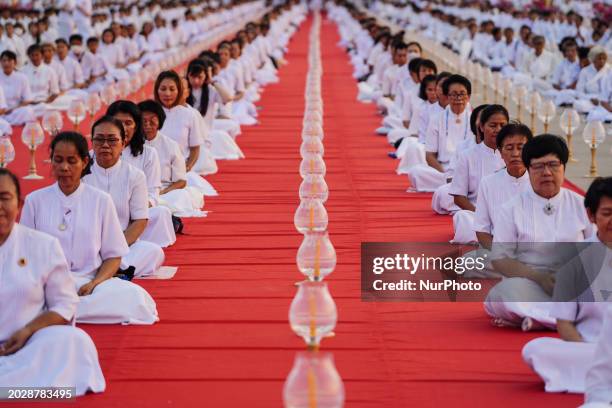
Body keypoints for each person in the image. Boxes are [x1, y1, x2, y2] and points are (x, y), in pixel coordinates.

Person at [20, 131, 158, 324]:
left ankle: (56, 313)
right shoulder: (35, 200)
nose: (64, 167)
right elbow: (24, 254)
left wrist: (95, 283)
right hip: (46, 284)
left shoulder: (101, 200)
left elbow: (113, 256)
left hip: (88, 285)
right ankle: (56, 309)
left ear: (85, 162)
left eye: (71, 161)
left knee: (134, 299)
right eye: (58, 160)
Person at [0, 168, 105, 394]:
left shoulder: (42, 245)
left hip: (29, 344)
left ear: (19, 204)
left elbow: (65, 303)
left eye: (4, 198)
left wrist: (28, 330)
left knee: (76, 342)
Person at [485, 135, 594, 330]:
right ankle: (565, 321)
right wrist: (540, 278)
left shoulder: (582, 205)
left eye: (553, 165)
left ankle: (539, 320)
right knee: (502, 294)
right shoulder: (511, 208)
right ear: (528, 170)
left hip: (575, 285)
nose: (546, 172)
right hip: (530, 284)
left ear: (564, 168)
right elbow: (500, 259)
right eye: (538, 166)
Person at [522, 177, 612, 394]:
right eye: (607, 213)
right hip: (590, 349)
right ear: (591, 215)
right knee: (535, 350)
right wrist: (597, 358)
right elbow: (564, 324)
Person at [82, 116, 165, 278]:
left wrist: (114, 248)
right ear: (92, 142)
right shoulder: (81, 173)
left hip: (122, 242)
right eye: (99, 140)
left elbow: (140, 221)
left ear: (123, 143)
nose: (105, 145)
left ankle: (108, 270)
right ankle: (114, 271)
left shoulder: (135, 176)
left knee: (154, 252)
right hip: (86, 242)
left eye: (112, 140)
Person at [106, 100, 177, 247]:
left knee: (161, 213)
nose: (123, 128)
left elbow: (153, 193)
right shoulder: (96, 154)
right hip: (103, 216)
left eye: (128, 123)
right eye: (118, 122)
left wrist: (134, 212)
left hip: (137, 214)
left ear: (136, 126)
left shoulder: (148, 154)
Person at [406, 75, 474, 197]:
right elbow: (430, 156)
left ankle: (456, 186)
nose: (458, 98)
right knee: (415, 172)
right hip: (443, 170)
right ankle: (456, 186)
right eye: (454, 94)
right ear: (447, 97)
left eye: (462, 94)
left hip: (467, 170)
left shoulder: (475, 120)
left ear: (468, 97)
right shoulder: (437, 119)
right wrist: (446, 174)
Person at [449, 105, 508, 244]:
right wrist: (483, 215)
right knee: (462, 218)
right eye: (493, 125)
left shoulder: (514, 155)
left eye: (502, 125)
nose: (498, 130)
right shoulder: (467, 156)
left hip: (509, 214)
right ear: (481, 127)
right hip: (476, 213)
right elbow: (458, 197)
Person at [138, 99, 206, 217]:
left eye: (152, 121)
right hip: (137, 192)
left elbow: (181, 181)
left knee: (180, 196)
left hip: (165, 192)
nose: (147, 126)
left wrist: (161, 193)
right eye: (143, 121)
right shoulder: (129, 146)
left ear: (160, 121)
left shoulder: (170, 145)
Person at [473, 123, 533, 252]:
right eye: (509, 148)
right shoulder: (488, 183)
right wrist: (501, 257)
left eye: (521, 147)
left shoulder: (540, 183)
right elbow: (482, 230)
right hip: (498, 252)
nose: (516, 154)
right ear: (500, 152)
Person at [0, 50, 35, 125]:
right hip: (1, 113)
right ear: (0, 62)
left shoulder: (22, 77)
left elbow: (28, 99)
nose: (6, 63)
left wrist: (13, 109)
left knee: (28, 111)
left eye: (9, 60)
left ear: (15, 62)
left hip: (15, 110)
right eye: (4, 60)